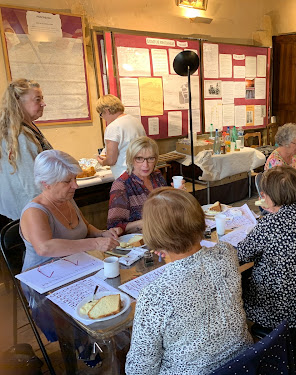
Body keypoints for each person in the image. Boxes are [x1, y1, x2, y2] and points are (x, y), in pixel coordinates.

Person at [126, 187, 252, 375]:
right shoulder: (226, 253)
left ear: (156, 238)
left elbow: (139, 371)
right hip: (244, 363)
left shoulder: (155, 295)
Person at [19, 150, 121, 348]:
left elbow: (84, 227)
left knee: (116, 290)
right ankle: (84, 344)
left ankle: (108, 342)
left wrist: (101, 234)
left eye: (74, 179)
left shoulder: (67, 199)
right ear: (46, 184)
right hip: (44, 280)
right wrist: (94, 244)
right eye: (67, 181)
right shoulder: (34, 211)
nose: (75, 185)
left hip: (77, 267)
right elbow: (45, 247)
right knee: (99, 299)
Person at [237, 166, 296, 331]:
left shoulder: (271, 223)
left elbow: (242, 253)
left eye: (264, 194)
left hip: (280, 310)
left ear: (271, 196)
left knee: (238, 282)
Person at [0, 79, 52, 222]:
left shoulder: (26, 127)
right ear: (19, 102)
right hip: (28, 214)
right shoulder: (19, 135)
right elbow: (31, 182)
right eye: (37, 99)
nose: (43, 103)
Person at [107, 136, 183, 233]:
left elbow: (167, 209)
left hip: (164, 233)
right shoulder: (122, 185)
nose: (145, 165)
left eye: (150, 158)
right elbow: (114, 227)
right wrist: (149, 222)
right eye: (139, 158)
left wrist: (177, 195)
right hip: (140, 242)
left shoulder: (156, 175)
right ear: (131, 159)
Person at [95, 95, 146, 179]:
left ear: (106, 110)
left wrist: (102, 162)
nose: (103, 118)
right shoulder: (136, 121)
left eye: (101, 114)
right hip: (141, 171)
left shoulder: (113, 127)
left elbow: (111, 160)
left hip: (125, 176)